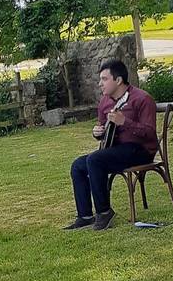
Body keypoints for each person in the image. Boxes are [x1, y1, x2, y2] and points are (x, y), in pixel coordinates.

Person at [65, 59, 158, 231]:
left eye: (104, 79)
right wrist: (97, 132)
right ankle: (85, 215)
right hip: (115, 150)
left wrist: (125, 122)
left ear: (118, 80)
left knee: (95, 160)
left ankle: (104, 212)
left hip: (140, 150)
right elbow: (104, 133)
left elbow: (150, 133)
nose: (100, 84)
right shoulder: (105, 102)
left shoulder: (142, 99)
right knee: (78, 165)